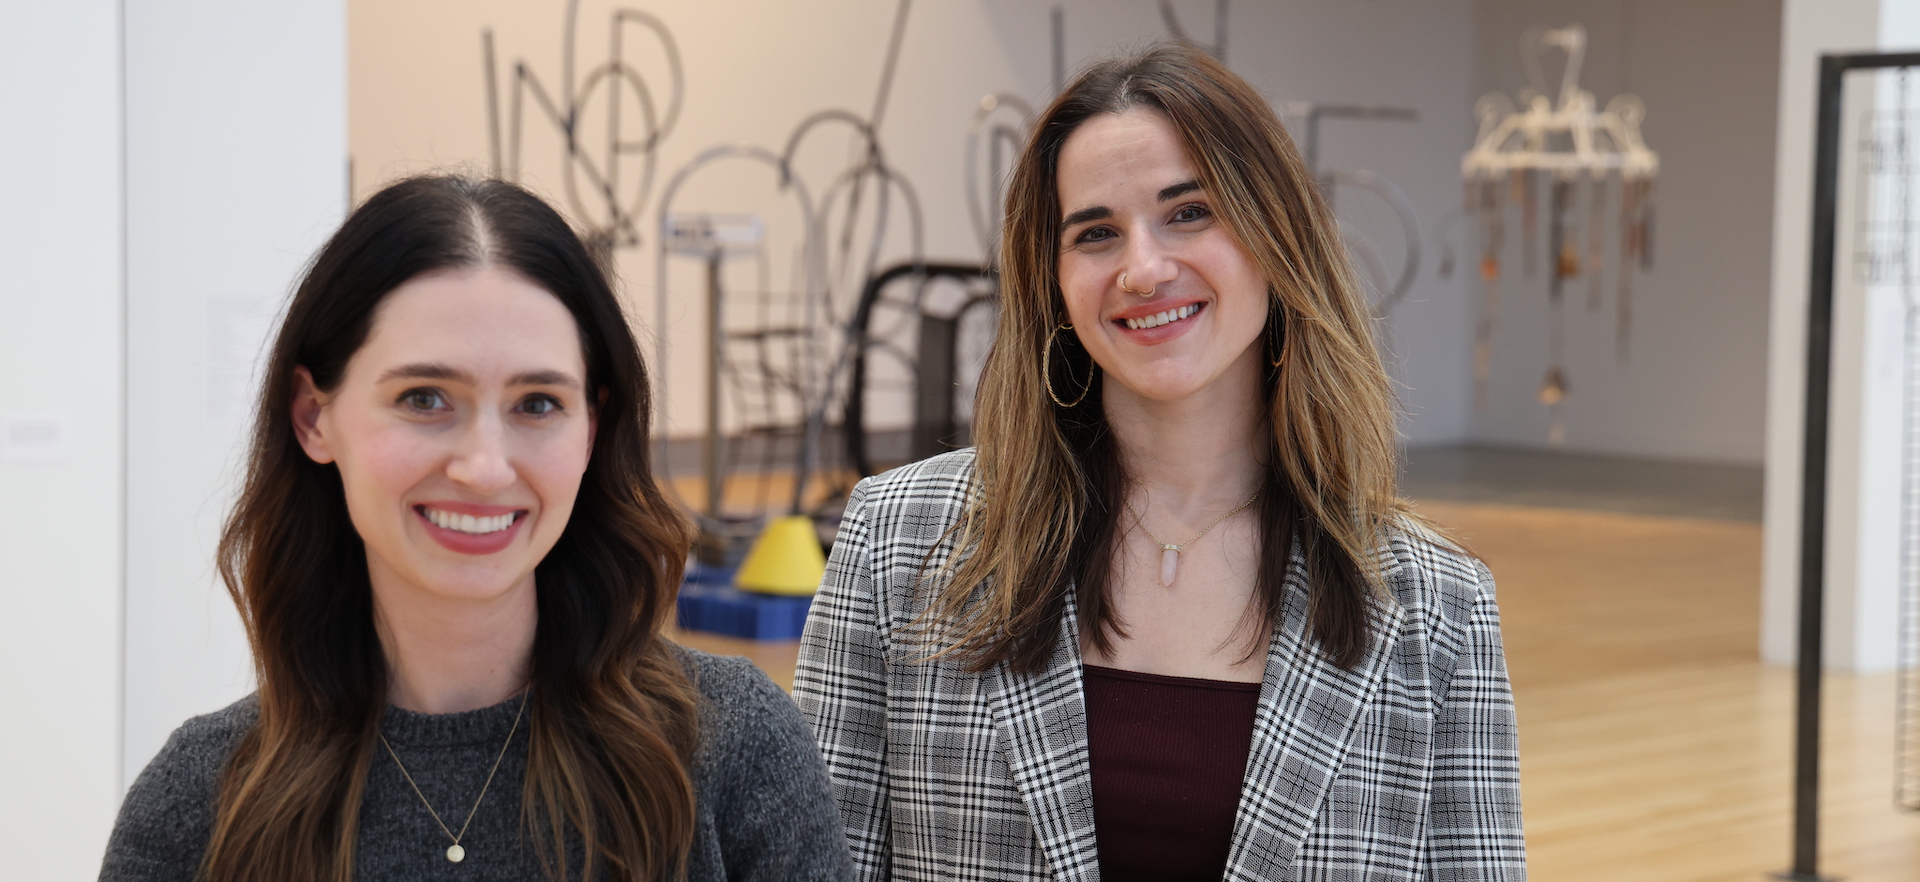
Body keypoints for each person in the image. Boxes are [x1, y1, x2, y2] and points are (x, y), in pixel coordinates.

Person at [794, 43, 1525, 881]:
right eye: (1096, 233)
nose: (1143, 268)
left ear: (1276, 237)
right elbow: (820, 861)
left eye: (1189, 213)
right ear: (1056, 283)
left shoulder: (1435, 607)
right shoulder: (900, 541)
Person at [99, 176, 854, 882]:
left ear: (592, 428)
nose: (486, 467)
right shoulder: (198, 807)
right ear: (313, 416)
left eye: (537, 403)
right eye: (425, 398)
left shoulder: (734, 751)